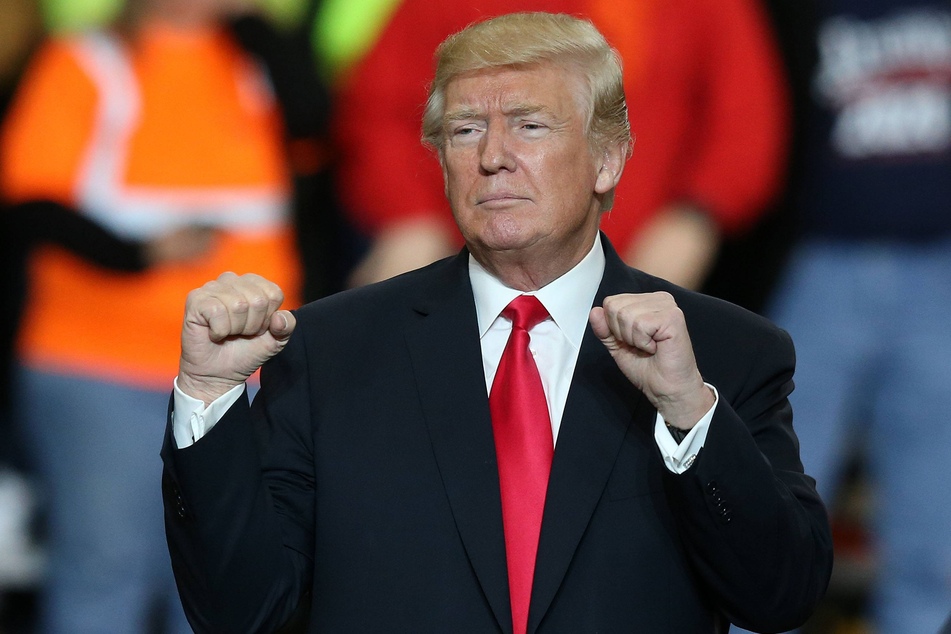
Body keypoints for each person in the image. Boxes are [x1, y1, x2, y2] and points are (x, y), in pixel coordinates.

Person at [163, 12, 832, 633]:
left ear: (607, 159)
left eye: (529, 125)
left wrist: (688, 411)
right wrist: (207, 398)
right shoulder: (329, 351)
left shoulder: (724, 353)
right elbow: (240, 614)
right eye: (464, 130)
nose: (492, 156)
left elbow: (778, 596)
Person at [0, 0, 303, 630]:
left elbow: (321, 136)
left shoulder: (249, 60)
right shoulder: (88, 59)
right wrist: (138, 253)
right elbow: (29, 199)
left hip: (242, 371)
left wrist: (265, 35)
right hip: (101, 364)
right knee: (108, 569)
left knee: (219, 577)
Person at [326, 0, 789, 291]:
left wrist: (697, 217)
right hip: (474, 259)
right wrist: (409, 217)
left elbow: (746, 117)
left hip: (639, 261)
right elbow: (379, 112)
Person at [763, 1, 951, 632]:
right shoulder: (804, 12)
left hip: (938, 269)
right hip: (823, 261)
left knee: (935, 506)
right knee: (776, 478)